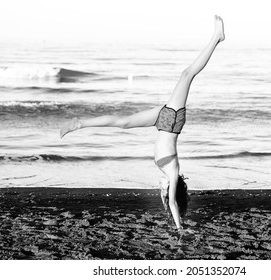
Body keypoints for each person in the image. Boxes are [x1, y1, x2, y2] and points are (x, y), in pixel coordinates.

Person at [60, 15, 225, 230]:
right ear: (171, 188)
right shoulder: (173, 173)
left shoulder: (166, 175)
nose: (160, 189)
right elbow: (174, 202)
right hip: (171, 121)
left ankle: (80, 123)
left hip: (161, 121)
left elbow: (169, 201)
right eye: (164, 191)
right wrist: (179, 227)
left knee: (124, 122)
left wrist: (166, 202)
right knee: (187, 74)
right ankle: (216, 38)